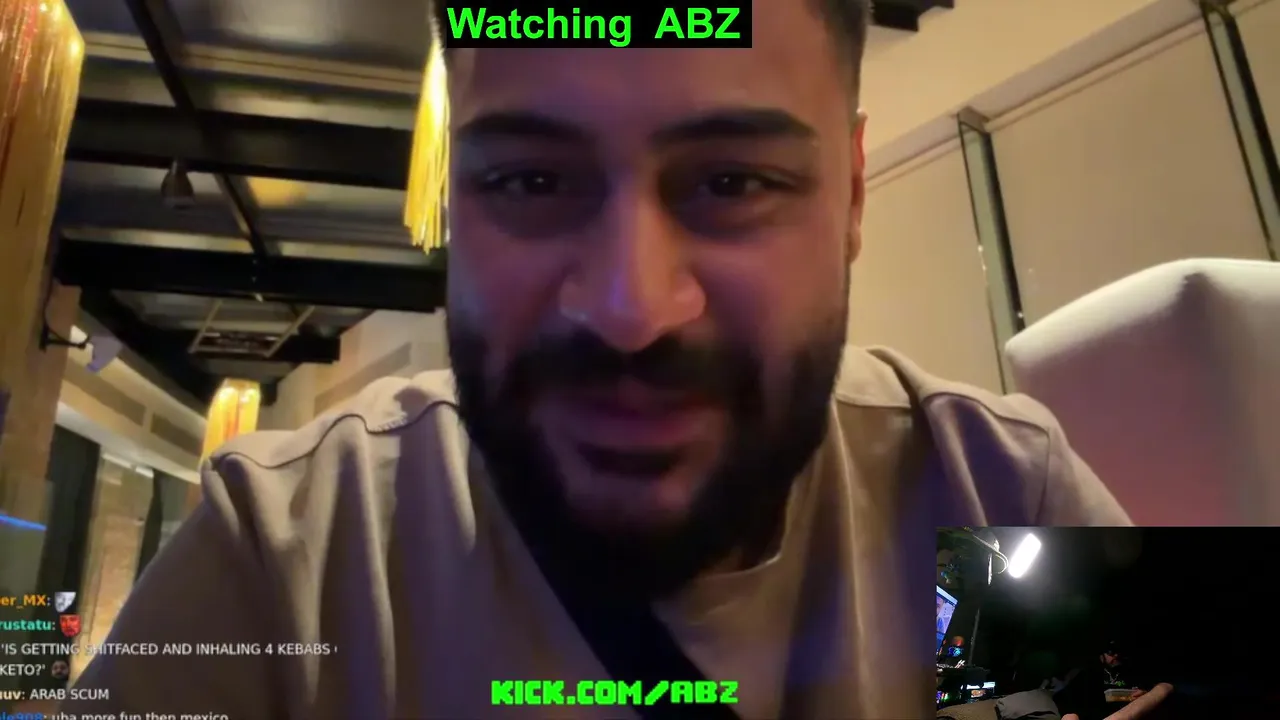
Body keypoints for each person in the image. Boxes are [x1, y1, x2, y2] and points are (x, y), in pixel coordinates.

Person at [62, 2, 1131, 718]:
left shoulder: (993, 495)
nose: (629, 309)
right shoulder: (295, 558)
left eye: (730, 182)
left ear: (851, 194)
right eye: (531, 182)